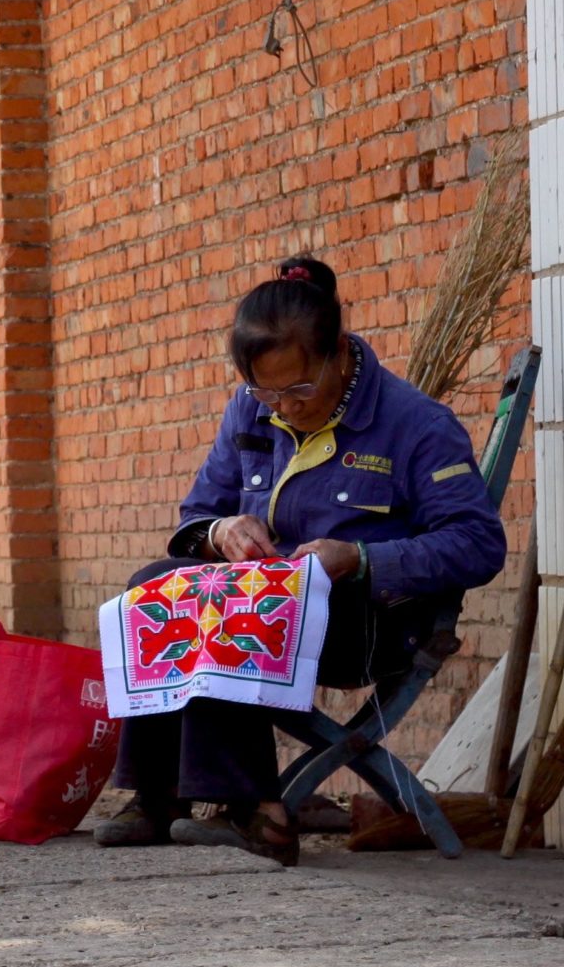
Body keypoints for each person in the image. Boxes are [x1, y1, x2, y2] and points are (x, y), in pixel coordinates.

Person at [95, 256, 507, 865]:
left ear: (339, 350)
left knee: (234, 600)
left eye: (300, 388)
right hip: (270, 609)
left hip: (368, 623)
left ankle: (258, 812)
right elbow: (194, 518)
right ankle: (159, 797)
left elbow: (478, 544)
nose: (284, 407)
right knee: (153, 586)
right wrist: (222, 532)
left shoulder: (416, 425)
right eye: (267, 392)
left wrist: (360, 558)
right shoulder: (250, 408)